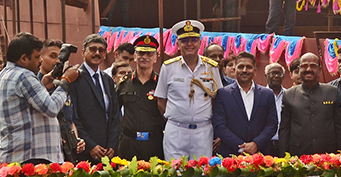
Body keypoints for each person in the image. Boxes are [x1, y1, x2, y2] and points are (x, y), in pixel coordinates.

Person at [0, 32, 80, 164]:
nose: (40, 60)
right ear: (23, 59)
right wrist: (65, 82)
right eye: (37, 57)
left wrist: (42, 86)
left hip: (17, 157)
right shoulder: (24, 76)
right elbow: (51, 109)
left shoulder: (3, 75)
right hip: (33, 159)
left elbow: (26, 106)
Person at [156, 19, 223, 160]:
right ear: (178, 44)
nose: (189, 44)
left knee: (202, 176)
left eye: (193, 40)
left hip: (203, 131)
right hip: (176, 131)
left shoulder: (211, 67)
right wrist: (178, 118)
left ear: (200, 43)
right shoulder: (168, 67)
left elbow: (217, 99)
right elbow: (161, 101)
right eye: (185, 40)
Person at [279, 52, 341, 156]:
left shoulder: (332, 92)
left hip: (327, 154)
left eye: (313, 66)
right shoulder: (289, 95)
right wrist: (283, 157)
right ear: (299, 69)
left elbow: (340, 126)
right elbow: (284, 129)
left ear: (319, 70)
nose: (308, 69)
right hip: (298, 154)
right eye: (304, 66)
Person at [213, 52, 279, 156]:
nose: (244, 70)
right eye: (241, 67)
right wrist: (241, 146)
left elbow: (272, 124)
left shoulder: (267, 94)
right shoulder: (223, 94)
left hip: (260, 155)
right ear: (235, 70)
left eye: (249, 67)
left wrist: (256, 144)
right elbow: (219, 126)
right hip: (230, 156)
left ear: (255, 71)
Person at [69, 34, 122, 163]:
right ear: (83, 53)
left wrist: (112, 145)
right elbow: (73, 116)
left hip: (108, 151)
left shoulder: (108, 80)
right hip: (85, 151)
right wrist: (90, 145)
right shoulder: (75, 78)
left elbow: (115, 114)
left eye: (101, 50)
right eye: (92, 49)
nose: (97, 53)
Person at [116, 35, 166, 161]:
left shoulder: (162, 83)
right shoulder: (124, 83)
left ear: (156, 58)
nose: (145, 57)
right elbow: (114, 112)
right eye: (141, 53)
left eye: (149, 54)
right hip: (129, 143)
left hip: (155, 143)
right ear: (135, 57)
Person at [265, 62, 286, 154]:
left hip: (284, 144)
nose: (276, 76)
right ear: (266, 76)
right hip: (265, 144)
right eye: (273, 73)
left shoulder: (289, 95)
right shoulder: (260, 95)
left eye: (279, 74)